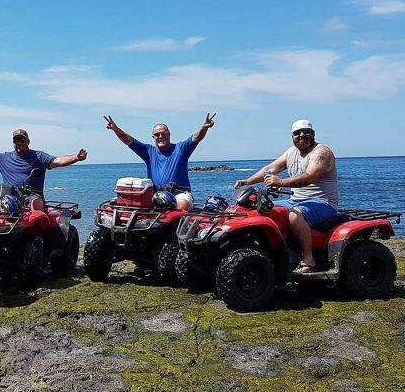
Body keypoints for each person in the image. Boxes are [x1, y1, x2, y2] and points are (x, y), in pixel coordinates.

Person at [234, 119, 339, 274]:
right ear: (292, 136)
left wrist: (281, 182)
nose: (302, 135)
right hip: (295, 200)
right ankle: (275, 253)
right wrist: (248, 181)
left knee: (295, 216)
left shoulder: (321, 153)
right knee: (262, 211)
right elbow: (271, 168)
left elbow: (309, 177)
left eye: (306, 132)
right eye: (297, 133)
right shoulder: (291, 152)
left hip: (323, 202)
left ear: (313, 134)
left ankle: (309, 260)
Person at [0, 128, 87, 211]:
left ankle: (40, 238)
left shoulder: (39, 156)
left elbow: (58, 161)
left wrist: (76, 157)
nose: (19, 143)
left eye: (22, 140)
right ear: (13, 142)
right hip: (9, 196)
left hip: (32, 195)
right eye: (16, 140)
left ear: (28, 142)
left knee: (36, 204)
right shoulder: (3, 157)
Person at [103, 113, 216, 210]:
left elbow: (196, 137)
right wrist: (115, 128)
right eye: (157, 135)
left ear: (169, 135)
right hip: (156, 195)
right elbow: (128, 140)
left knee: (182, 204)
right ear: (153, 137)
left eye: (163, 134)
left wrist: (204, 127)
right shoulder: (148, 151)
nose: (160, 136)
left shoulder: (181, 149)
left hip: (180, 195)